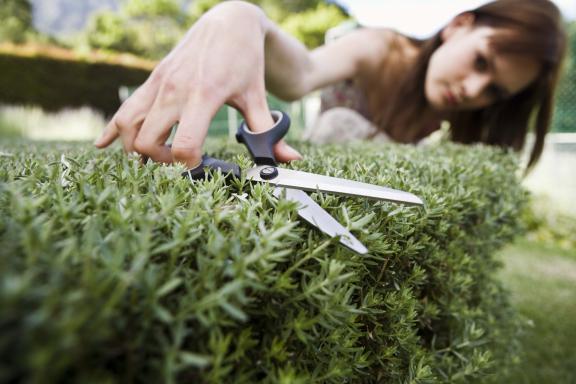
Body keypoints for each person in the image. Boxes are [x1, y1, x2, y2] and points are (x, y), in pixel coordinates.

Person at [94, 0, 567, 170]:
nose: (471, 89)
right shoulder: (378, 49)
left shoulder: (460, 111)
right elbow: (299, 75)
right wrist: (239, 17)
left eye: (494, 92)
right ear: (459, 24)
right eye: (481, 61)